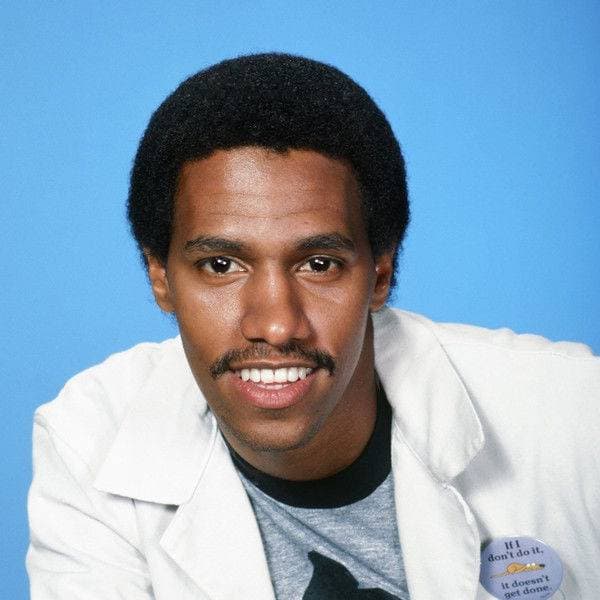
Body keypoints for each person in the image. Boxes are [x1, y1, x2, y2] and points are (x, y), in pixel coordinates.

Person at [27, 53, 599, 600]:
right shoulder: (91, 439)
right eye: (221, 266)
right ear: (160, 278)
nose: (277, 326)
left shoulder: (573, 412)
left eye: (318, 264)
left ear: (380, 274)